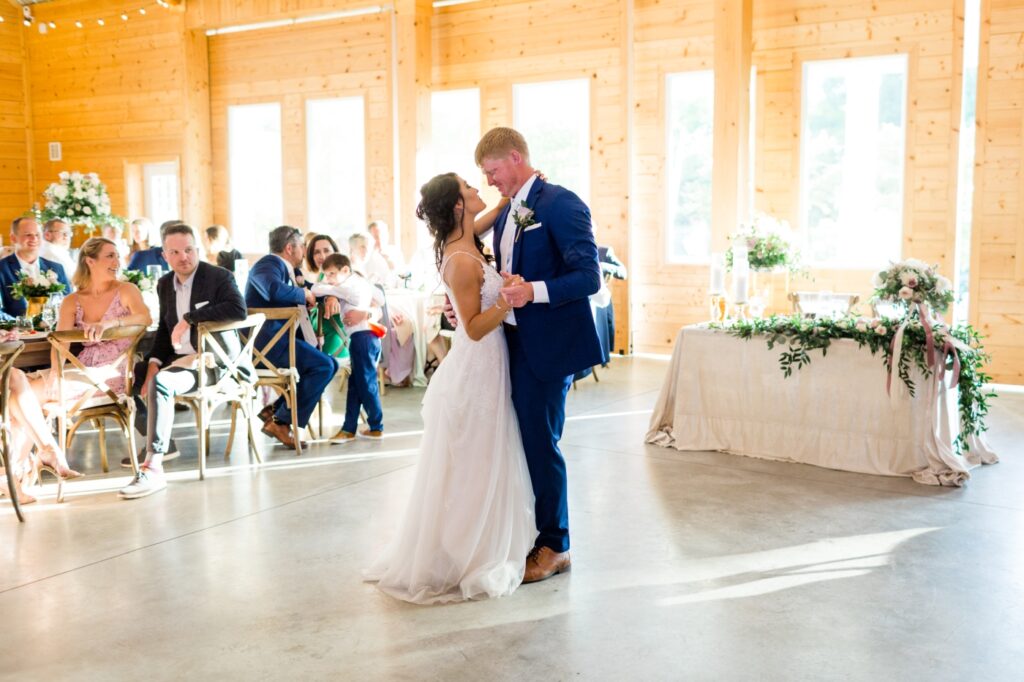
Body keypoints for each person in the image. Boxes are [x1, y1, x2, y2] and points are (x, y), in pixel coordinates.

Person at [365, 172, 533, 604]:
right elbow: (475, 328)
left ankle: (471, 541)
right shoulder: (460, 260)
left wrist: (512, 192)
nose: (477, 190)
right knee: (473, 462)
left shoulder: (467, 236)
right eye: (468, 188)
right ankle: (468, 552)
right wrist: (507, 297)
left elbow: (493, 212)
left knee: (479, 457)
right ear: (458, 206)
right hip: (477, 365)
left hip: (490, 364)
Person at [474, 127, 603, 583]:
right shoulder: (509, 211)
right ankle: (534, 531)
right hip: (511, 343)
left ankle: (556, 544)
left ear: (514, 157)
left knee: (541, 444)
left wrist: (534, 291)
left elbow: (589, 277)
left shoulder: (561, 204)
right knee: (523, 441)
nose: (490, 181)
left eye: (493, 172)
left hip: (548, 347)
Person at [119, 223, 250, 499]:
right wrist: (154, 361)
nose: (184, 257)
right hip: (180, 359)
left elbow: (239, 309)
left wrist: (189, 318)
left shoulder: (218, 277)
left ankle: (153, 466)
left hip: (215, 363)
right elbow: (166, 331)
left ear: (197, 249)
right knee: (136, 373)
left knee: (163, 382)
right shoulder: (165, 283)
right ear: (165, 255)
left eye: (189, 250)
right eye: (175, 252)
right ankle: (157, 441)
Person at [245, 225, 338, 449]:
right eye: (302, 246)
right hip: (267, 347)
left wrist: (331, 296)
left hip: (279, 342)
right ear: (289, 248)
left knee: (330, 364)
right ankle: (281, 420)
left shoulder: (288, 270)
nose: (304, 250)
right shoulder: (267, 264)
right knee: (324, 366)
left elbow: (312, 288)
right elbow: (272, 290)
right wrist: (302, 293)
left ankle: (277, 411)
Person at [312, 253, 385, 442]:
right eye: (326, 274)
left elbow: (316, 288)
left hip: (363, 338)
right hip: (365, 338)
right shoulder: (358, 282)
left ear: (345, 270)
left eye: (331, 274)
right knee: (356, 384)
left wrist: (365, 312)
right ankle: (349, 428)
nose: (329, 278)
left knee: (366, 384)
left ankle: (377, 425)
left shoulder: (346, 286)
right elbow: (380, 299)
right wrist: (368, 309)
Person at [0, 217, 71, 320]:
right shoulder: (2, 269)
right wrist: (20, 325)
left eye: (37, 235)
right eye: (28, 235)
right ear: (13, 238)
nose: (34, 239)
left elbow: (69, 305)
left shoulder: (57, 268)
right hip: (17, 333)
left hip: (54, 332)